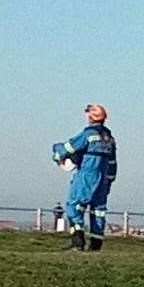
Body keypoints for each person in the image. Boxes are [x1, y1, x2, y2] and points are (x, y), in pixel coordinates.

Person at [52, 104, 117, 251]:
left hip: (87, 175)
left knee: (74, 207)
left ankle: (78, 242)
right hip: (103, 179)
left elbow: (68, 148)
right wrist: (109, 180)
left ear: (90, 117)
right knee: (98, 211)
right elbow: (113, 162)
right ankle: (96, 245)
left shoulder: (88, 134)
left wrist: (57, 154)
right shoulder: (109, 139)